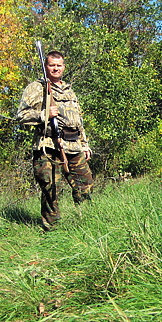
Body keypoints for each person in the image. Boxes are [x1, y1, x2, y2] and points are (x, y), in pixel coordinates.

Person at [17, 50, 93, 231]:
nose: (56, 68)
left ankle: (88, 223)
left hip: (73, 146)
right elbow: (21, 115)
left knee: (85, 185)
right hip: (49, 146)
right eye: (52, 65)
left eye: (59, 65)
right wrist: (44, 114)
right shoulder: (37, 87)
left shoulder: (69, 90)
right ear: (46, 66)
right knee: (51, 190)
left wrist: (84, 144)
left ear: (64, 67)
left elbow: (78, 120)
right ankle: (52, 231)